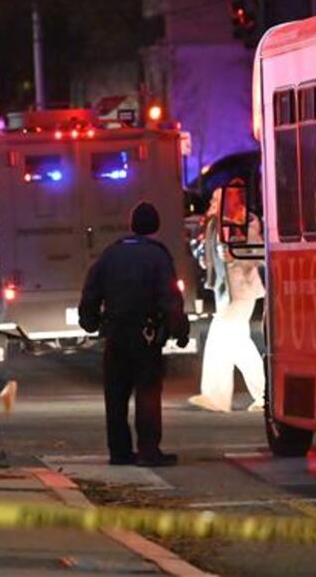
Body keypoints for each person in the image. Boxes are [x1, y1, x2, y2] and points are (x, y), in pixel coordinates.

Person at [79, 201, 190, 467]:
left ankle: (119, 451)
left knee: (116, 395)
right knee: (147, 392)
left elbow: (91, 290)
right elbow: (169, 297)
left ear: (132, 225)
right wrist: (179, 330)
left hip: (116, 333)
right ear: (156, 225)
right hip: (146, 334)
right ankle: (148, 451)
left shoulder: (110, 254)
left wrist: (90, 321)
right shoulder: (158, 256)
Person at [189, 189, 266, 412]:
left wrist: (235, 257)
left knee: (219, 341)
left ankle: (216, 397)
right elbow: (210, 256)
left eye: (216, 199)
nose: (212, 202)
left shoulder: (244, 225)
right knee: (240, 346)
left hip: (241, 291)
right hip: (226, 293)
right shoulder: (216, 225)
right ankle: (264, 394)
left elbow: (259, 254)